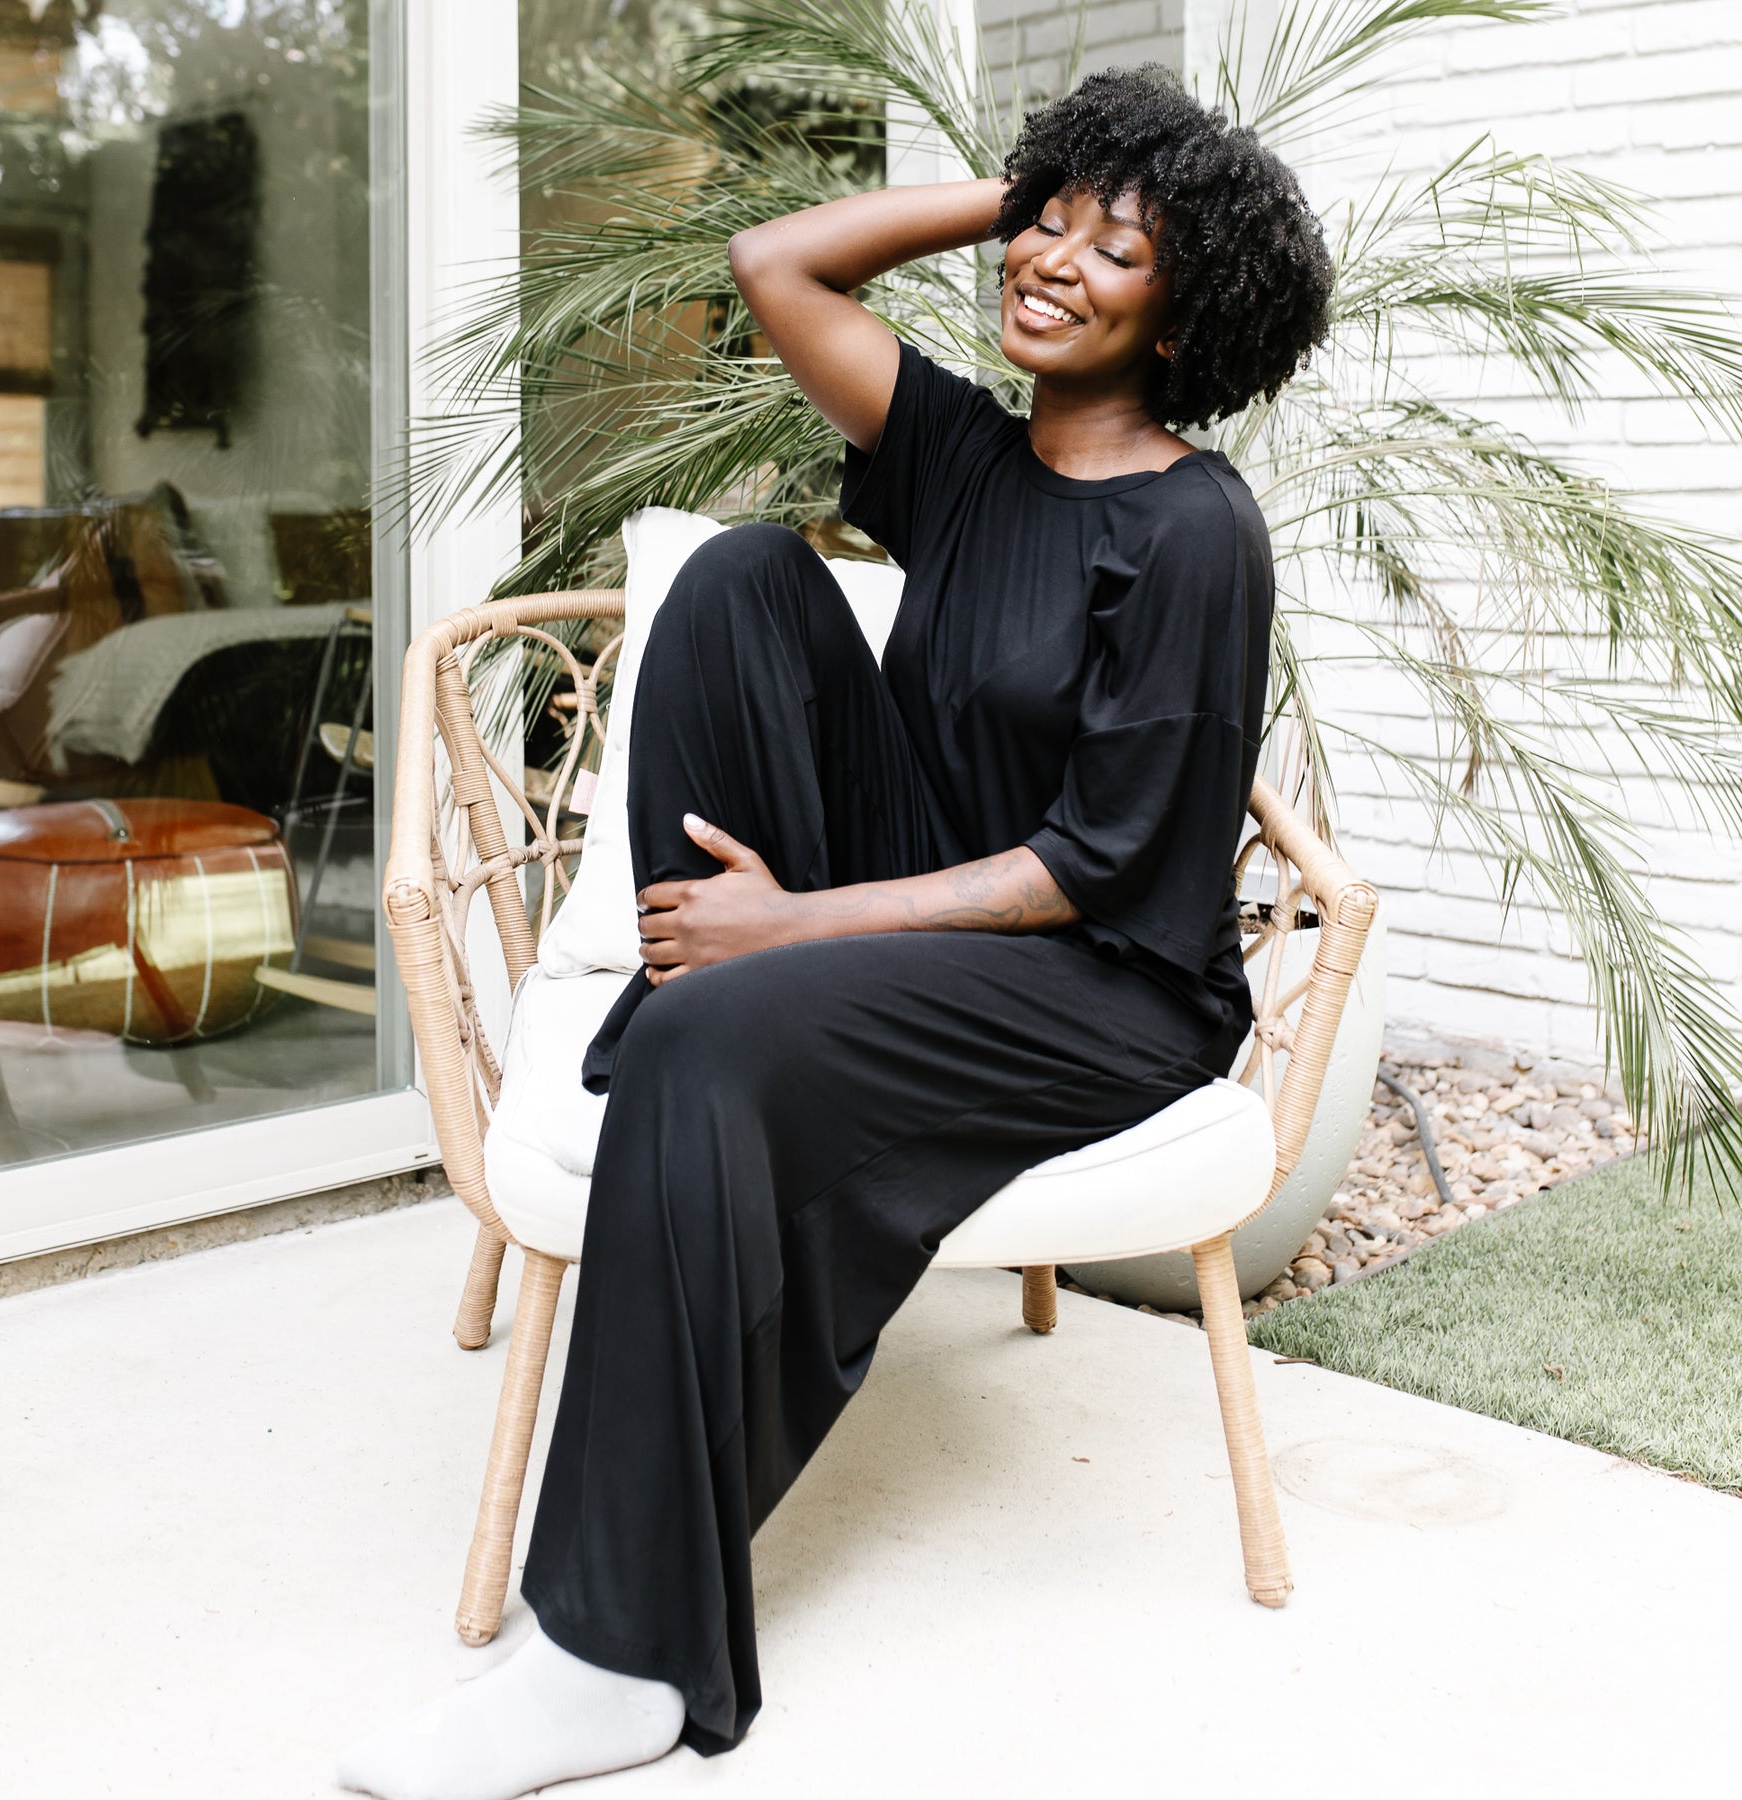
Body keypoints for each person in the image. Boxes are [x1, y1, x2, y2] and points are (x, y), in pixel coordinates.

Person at [339, 65, 1332, 1800]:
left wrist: (792, 928)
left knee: (726, 1033)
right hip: (927, 892)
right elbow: (774, 262)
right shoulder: (964, 455)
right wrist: (1032, 190)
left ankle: (614, 1660)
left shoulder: (1193, 530)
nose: (1055, 264)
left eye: (1122, 251)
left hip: (1101, 979)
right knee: (741, 581)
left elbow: (1098, 866)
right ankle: (690, 1012)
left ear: (1193, 316)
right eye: (1052, 225)